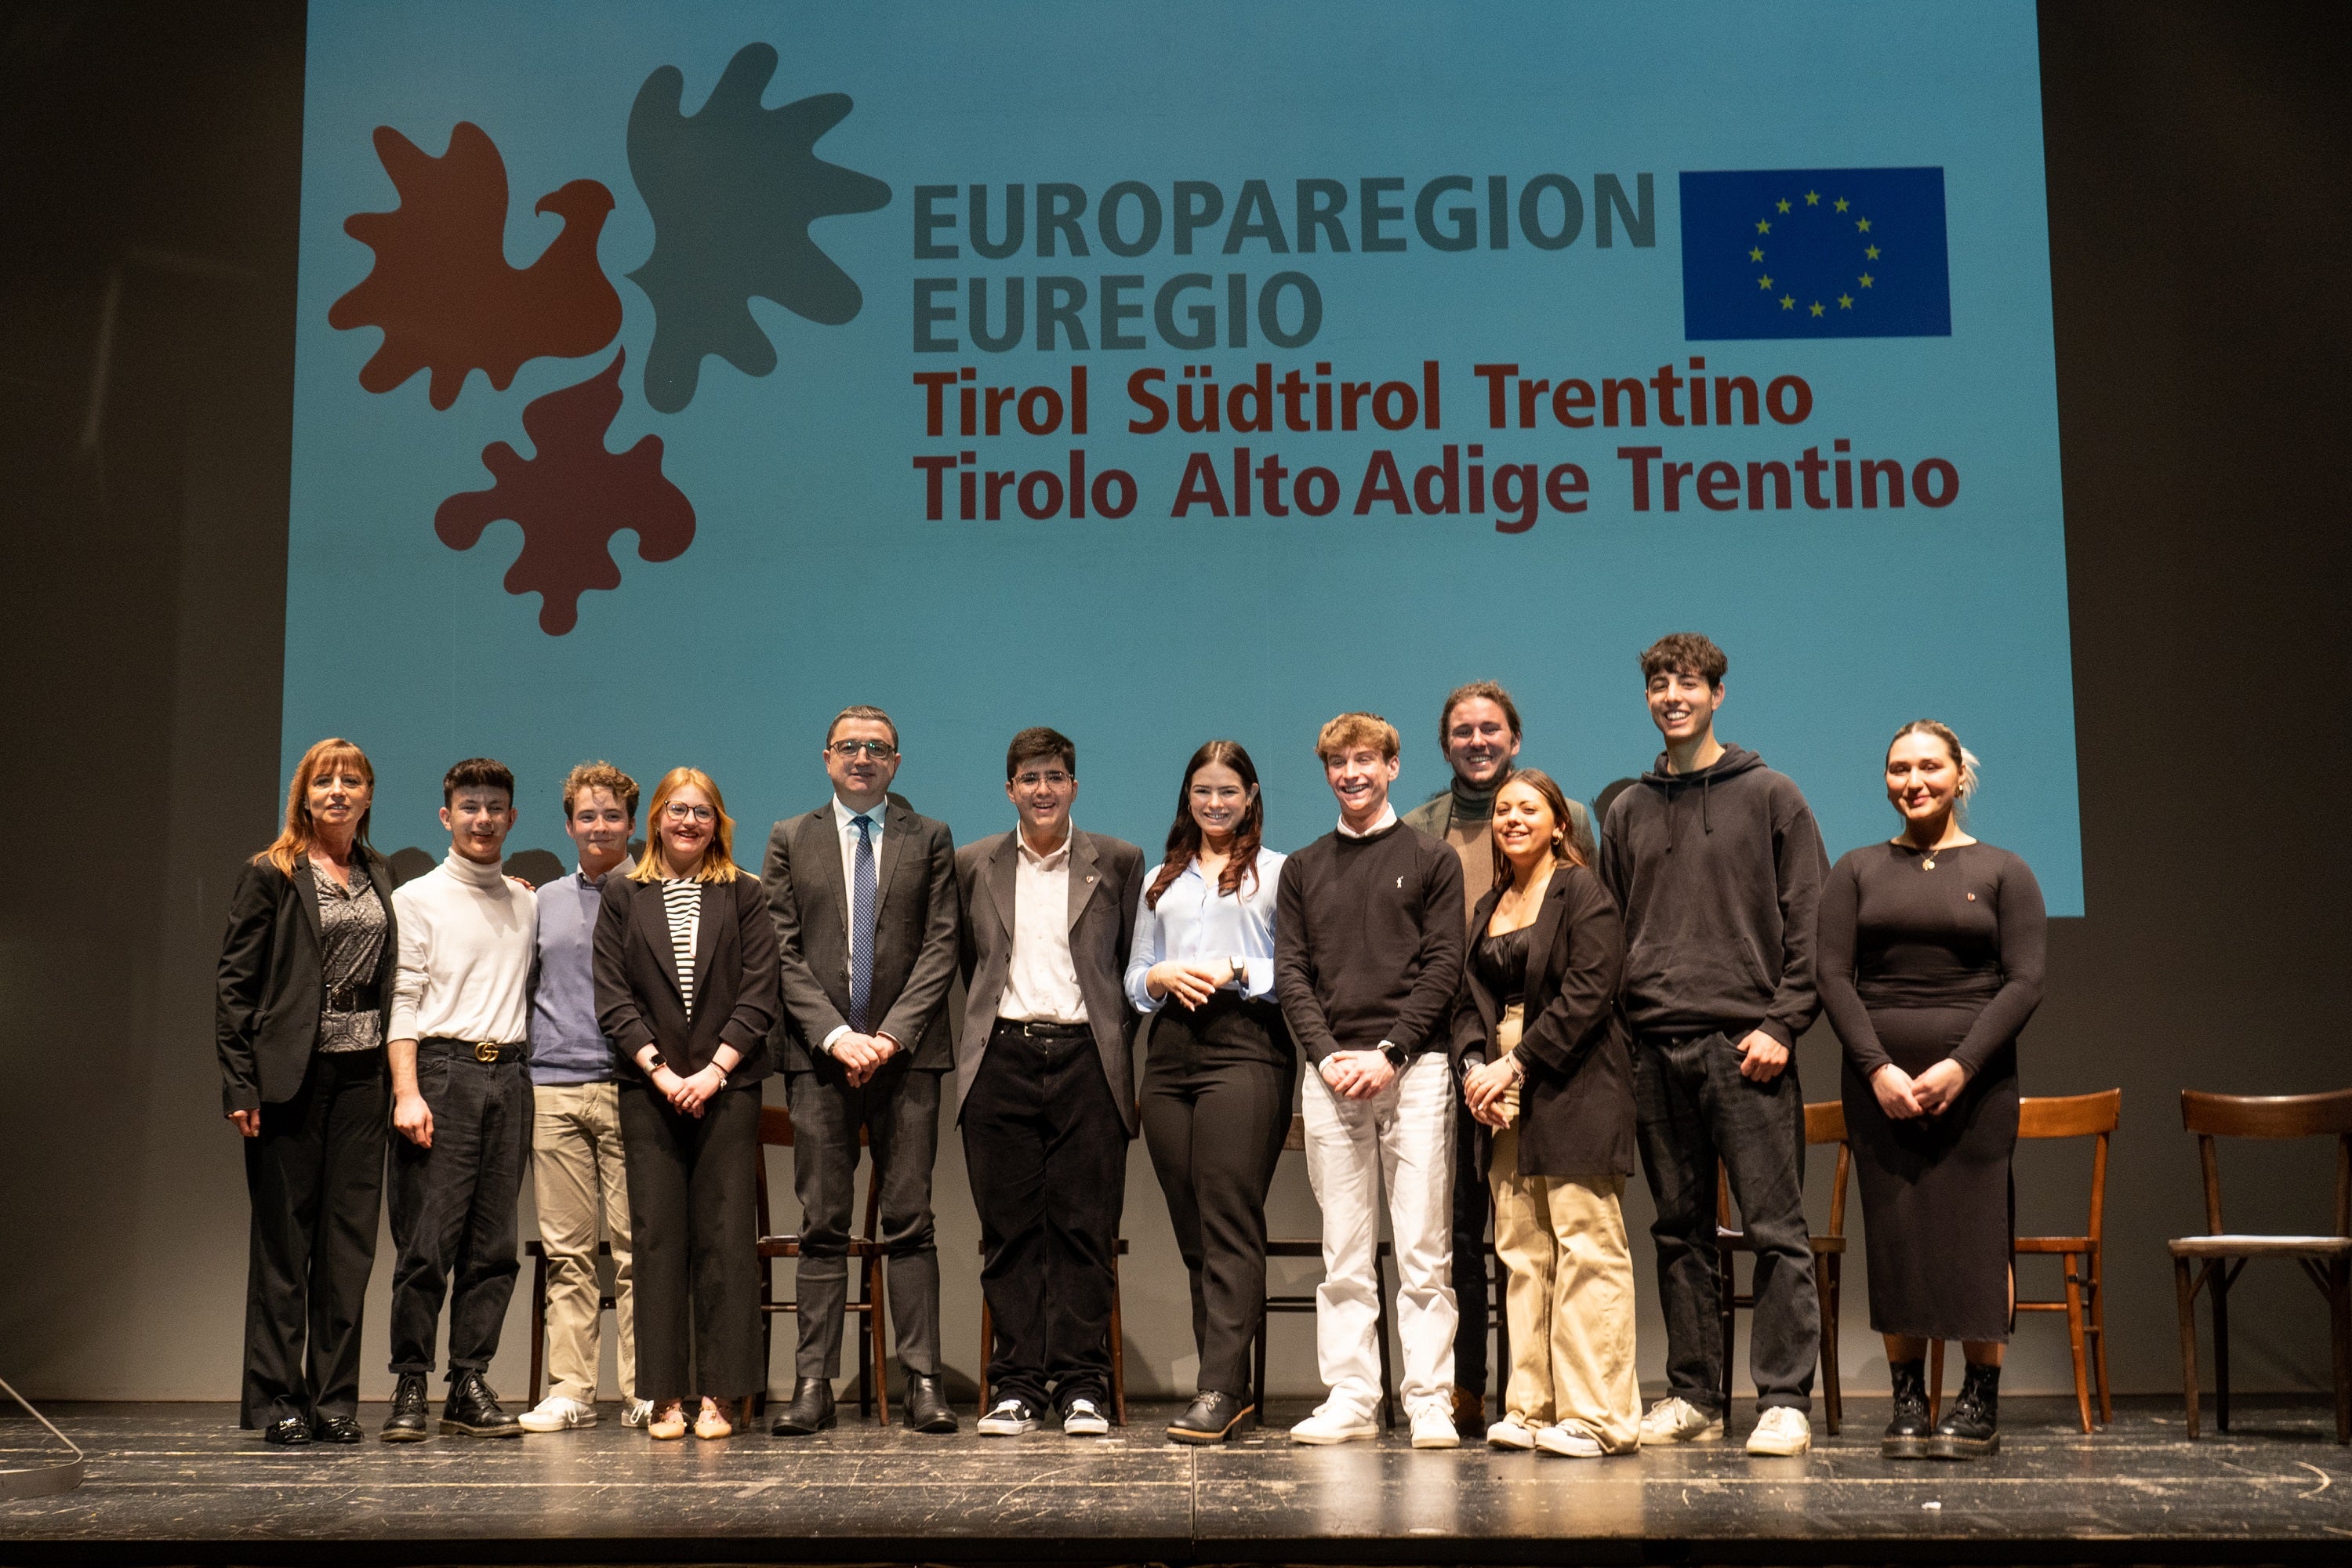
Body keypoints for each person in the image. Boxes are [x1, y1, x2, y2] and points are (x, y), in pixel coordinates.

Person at [1599, 634, 1828, 1457]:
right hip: (1655, 1045)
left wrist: (1782, 1022)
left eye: (1687, 682)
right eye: (1659, 682)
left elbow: (1812, 923)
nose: (1672, 695)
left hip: (1747, 1043)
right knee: (1677, 1229)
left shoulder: (1772, 794)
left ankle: (1782, 1397)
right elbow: (1611, 932)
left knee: (1775, 1228)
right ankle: (1695, 1391)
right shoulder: (1626, 808)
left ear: (1718, 694)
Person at [1817, 721, 2045, 1461]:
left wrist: (1963, 1065)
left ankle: (1979, 1403)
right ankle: (1908, 1399)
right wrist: (1876, 1067)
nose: (1913, 781)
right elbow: (1832, 978)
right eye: (1898, 769)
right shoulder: (1855, 870)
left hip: (1975, 1088)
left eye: (1929, 767)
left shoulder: (2006, 870)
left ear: (1959, 775)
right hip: (1878, 1088)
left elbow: (2024, 982)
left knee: (1979, 1237)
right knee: (1897, 1236)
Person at [1401, 680, 1595, 1436]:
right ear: (1445, 744)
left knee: (1534, 1233)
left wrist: (1520, 1059)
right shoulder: (1420, 827)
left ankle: (1533, 1393)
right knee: (1460, 1233)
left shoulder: (1567, 817)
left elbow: (1587, 936)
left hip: (1540, 1055)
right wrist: (1467, 1054)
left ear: (1515, 740)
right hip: (1451, 1048)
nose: (1477, 742)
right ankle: (1468, 1390)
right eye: (1462, 731)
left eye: (1491, 730)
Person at [763, 706, 961, 1436]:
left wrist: (890, 1036)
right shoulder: (791, 837)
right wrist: (839, 1036)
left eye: (877, 748)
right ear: (826, 758)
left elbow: (941, 946)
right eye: (850, 747)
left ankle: (924, 1381)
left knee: (911, 1221)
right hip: (821, 1059)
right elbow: (782, 949)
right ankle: (813, 1382)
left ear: (897, 763)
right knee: (823, 1223)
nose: (863, 758)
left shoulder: (929, 837)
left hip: (907, 1059)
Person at [1276, 712, 1467, 1449]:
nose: (1352, 773)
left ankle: (1428, 1400)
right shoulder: (1302, 867)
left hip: (1414, 1073)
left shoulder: (1431, 858)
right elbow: (1293, 974)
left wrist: (1390, 1053)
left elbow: (1443, 966)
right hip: (1330, 1078)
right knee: (1344, 1250)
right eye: (1338, 763)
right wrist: (1328, 1058)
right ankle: (1353, 1397)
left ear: (1392, 767)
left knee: (1423, 1250)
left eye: (1366, 760)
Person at [953, 728, 1144, 1438]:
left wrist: (1112, 1049)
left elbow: (1127, 969)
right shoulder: (974, 863)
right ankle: (1017, 1386)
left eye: (1055, 777)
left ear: (1074, 786)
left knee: (1085, 1230)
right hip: (1000, 1058)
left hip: (1086, 1060)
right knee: (1010, 1234)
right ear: (1009, 789)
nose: (1043, 789)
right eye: (1029, 778)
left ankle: (1083, 1385)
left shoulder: (1116, 861)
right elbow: (965, 961)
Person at [1452, 771, 1640, 1457]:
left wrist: (1518, 1063)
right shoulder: (1489, 903)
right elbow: (1466, 1003)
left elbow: (1591, 993)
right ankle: (1531, 1407)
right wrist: (1475, 1066)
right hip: (1499, 1093)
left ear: (1559, 822)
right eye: (1502, 810)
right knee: (1522, 1252)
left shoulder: (1584, 892)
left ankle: (1597, 1417)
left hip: (1573, 1081)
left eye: (1528, 808)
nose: (1512, 818)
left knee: (1587, 1246)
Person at [216, 738, 398, 1446]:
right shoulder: (271, 872)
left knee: (348, 1248)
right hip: (289, 1079)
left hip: (363, 1080)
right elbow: (235, 986)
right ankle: (275, 1401)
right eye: (325, 780)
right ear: (304, 793)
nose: (338, 792)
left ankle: (333, 1401)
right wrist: (240, 1081)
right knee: (285, 1249)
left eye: (351, 780)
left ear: (369, 795)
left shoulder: (380, 873)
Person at [593, 767, 780, 1441]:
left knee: (726, 1240)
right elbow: (613, 995)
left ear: (719, 821)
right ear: (658, 820)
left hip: (726, 1089)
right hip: (650, 1091)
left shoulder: (745, 894)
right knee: (657, 1240)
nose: (689, 822)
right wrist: (663, 1072)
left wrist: (713, 1073)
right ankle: (667, 1395)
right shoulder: (624, 891)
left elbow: (760, 992)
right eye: (677, 810)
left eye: (702, 812)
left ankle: (721, 1396)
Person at [1127, 742, 1292, 1444]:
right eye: (1202, 792)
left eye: (1228, 791)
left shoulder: (1280, 874)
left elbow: (1299, 969)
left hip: (1245, 1046)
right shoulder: (1161, 880)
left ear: (1251, 795)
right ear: (1187, 797)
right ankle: (1228, 1385)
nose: (1215, 804)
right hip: (1169, 1054)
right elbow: (1133, 978)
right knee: (1193, 1225)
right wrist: (1159, 979)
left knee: (1228, 1215)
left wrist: (1237, 967)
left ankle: (1220, 1386)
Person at [383, 758, 537, 1442]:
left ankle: (468, 1381)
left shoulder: (527, 900)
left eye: (494, 807)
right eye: (469, 806)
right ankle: (409, 1384)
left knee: (495, 1246)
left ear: (511, 816)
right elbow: (403, 1000)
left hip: (510, 1075)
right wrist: (407, 1092)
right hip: (442, 1074)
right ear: (447, 817)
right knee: (425, 1243)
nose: (483, 818)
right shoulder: (416, 898)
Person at [517, 762, 651, 1434]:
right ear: (569, 826)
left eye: (612, 816)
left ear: (633, 823)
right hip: (555, 1086)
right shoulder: (540, 901)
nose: (600, 827)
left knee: (634, 1250)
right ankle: (571, 1388)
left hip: (633, 1087)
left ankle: (640, 1388)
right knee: (567, 1252)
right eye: (586, 816)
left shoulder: (657, 892)